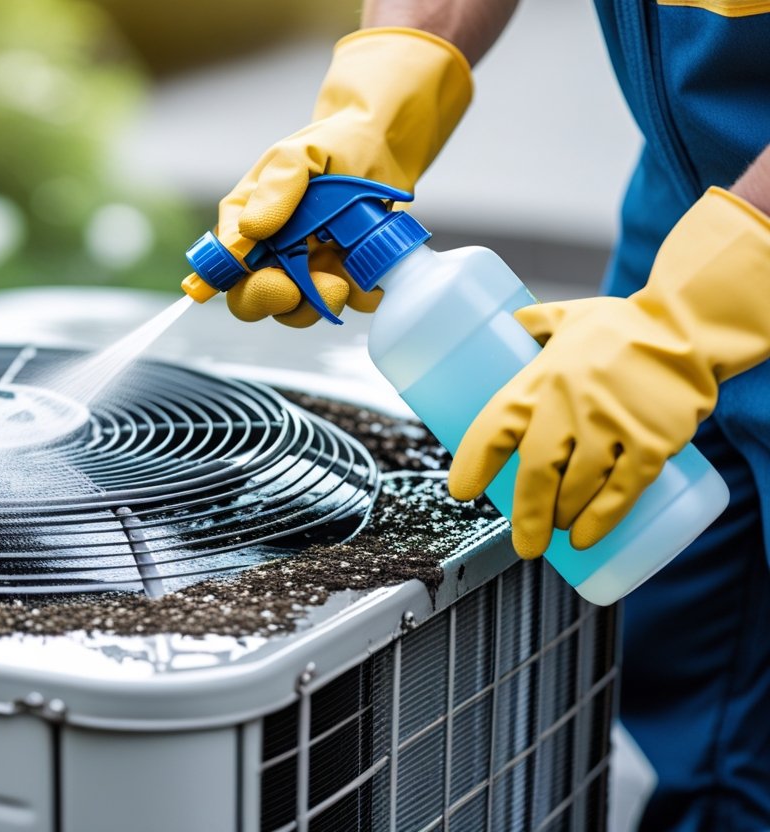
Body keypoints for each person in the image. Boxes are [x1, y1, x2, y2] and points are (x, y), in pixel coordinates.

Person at [192, 1, 770, 829]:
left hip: (746, 236)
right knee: (688, 663)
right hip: (693, 210)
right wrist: (382, 95)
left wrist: (701, 308)